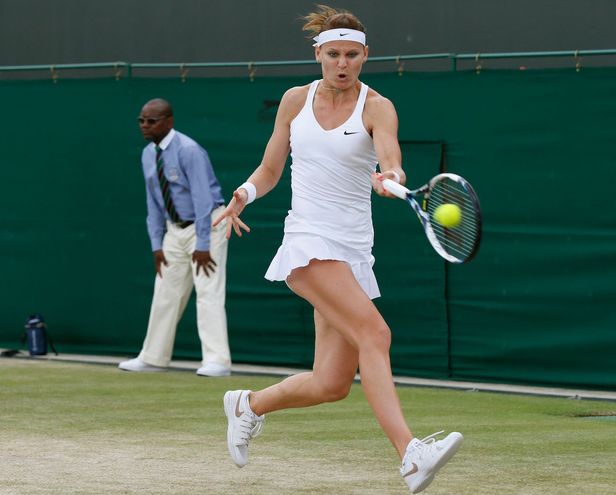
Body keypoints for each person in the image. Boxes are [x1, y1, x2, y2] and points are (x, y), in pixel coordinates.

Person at [213, 5, 463, 493]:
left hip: (353, 252)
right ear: (319, 55)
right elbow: (269, 169)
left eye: (352, 54)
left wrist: (390, 179)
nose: (342, 63)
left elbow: (391, 160)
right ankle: (411, 455)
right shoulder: (293, 101)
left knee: (330, 383)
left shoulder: (378, 107)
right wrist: (242, 194)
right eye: (333, 54)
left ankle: (248, 405)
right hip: (307, 241)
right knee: (377, 335)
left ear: (365, 56)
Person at [118, 98, 232, 378]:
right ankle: (153, 357)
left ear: (168, 122)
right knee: (165, 291)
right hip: (174, 231)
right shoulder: (148, 154)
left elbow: (203, 199)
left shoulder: (190, 151)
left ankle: (218, 361)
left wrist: (203, 244)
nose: (145, 125)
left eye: (151, 121)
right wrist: (157, 244)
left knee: (208, 292)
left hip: (207, 226)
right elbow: (153, 202)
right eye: (141, 121)